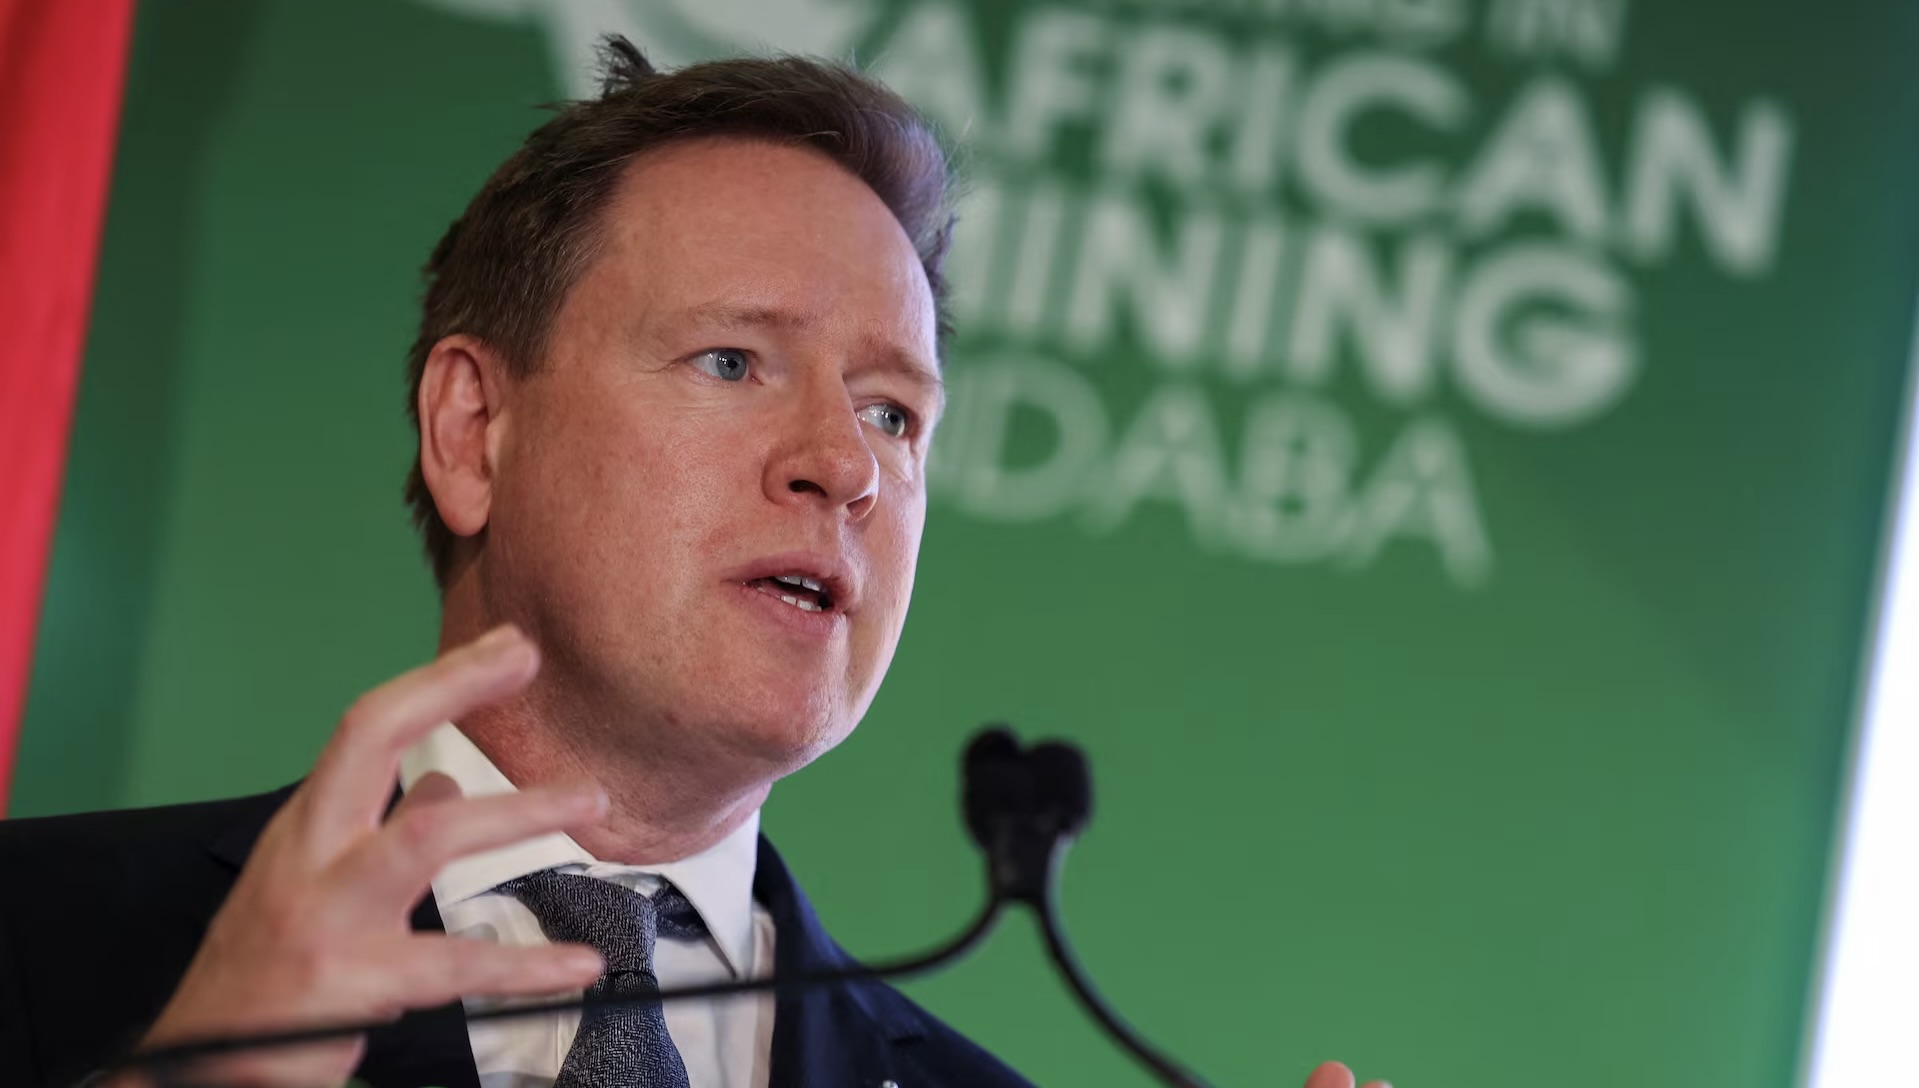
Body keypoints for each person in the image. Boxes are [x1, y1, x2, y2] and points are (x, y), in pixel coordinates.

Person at [0, 37, 1388, 1088]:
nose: (843, 464)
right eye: (732, 361)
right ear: (474, 431)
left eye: (893, 414)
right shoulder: (42, 940)